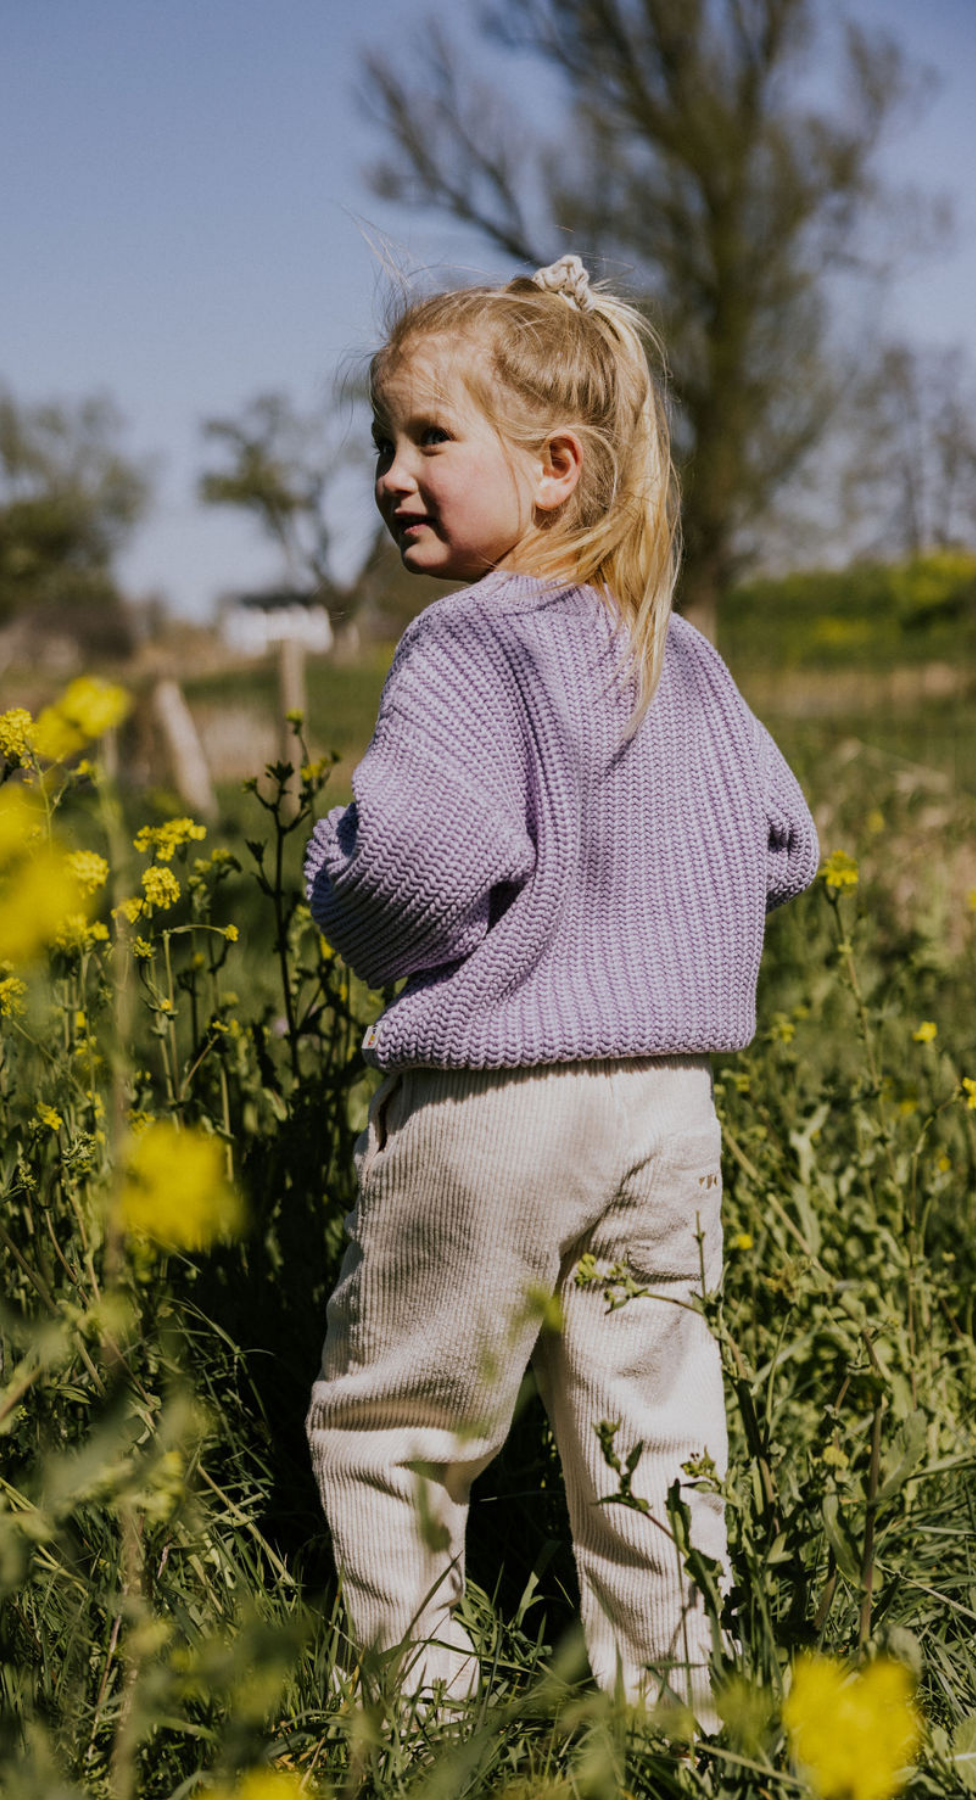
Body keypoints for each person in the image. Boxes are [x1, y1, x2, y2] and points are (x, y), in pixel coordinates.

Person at [302, 255, 818, 1724]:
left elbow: (411, 876)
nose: (393, 476)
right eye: (382, 446)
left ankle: (422, 1719)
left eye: (427, 438)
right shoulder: (680, 650)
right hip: (667, 1107)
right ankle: (672, 1713)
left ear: (555, 471)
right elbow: (784, 842)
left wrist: (333, 863)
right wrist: (660, 898)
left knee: (399, 1418)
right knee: (650, 1421)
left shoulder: (468, 645)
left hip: (497, 1104)